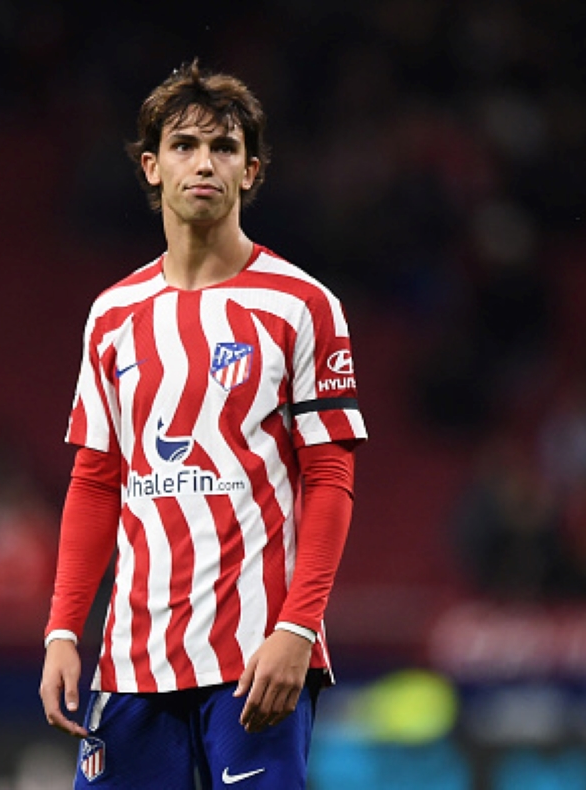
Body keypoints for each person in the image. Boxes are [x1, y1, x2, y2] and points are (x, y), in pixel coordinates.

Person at [38, 60, 367, 789]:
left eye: (225, 148)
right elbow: (96, 482)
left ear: (251, 171)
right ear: (152, 168)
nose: (205, 163)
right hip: (132, 655)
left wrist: (297, 628)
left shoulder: (301, 306)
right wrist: (64, 629)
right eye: (185, 145)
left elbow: (331, 477)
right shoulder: (113, 316)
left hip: (256, 657)